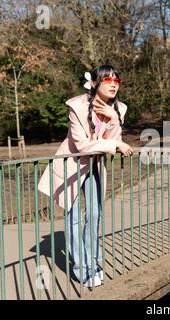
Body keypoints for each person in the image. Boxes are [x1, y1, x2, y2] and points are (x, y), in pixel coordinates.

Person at [38, 64, 134, 288]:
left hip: (95, 166)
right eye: (107, 80)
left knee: (94, 215)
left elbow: (114, 137)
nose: (112, 85)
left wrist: (113, 119)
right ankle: (82, 269)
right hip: (71, 165)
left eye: (116, 81)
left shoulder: (119, 108)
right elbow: (81, 145)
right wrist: (116, 143)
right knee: (73, 219)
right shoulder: (77, 106)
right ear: (93, 83)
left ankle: (94, 262)